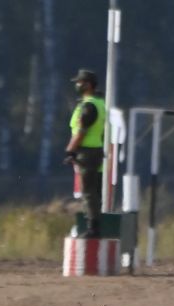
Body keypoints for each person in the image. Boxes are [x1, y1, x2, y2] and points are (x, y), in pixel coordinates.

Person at [66, 70, 108, 236]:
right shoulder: (99, 104)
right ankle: (96, 224)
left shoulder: (88, 106)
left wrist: (70, 150)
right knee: (96, 191)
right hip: (96, 150)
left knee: (88, 191)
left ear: (88, 84)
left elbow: (81, 131)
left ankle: (93, 228)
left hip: (87, 153)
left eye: (80, 82)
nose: (77, 85)